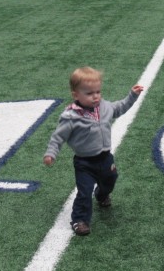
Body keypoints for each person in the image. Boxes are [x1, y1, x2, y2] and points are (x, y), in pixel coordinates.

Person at [43, 67, 144, 236]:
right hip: (85, 163)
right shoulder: (70, 116)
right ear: (76, 95)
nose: (95, 96)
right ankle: (79, 220)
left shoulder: (104, 107)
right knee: (84, 191)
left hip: (105, 158)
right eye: (89, 93)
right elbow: (58, 137)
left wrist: (132, 96)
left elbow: (120, 107)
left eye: (98, 92)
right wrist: (51, 153)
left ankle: (102, 194)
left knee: (110, 180)